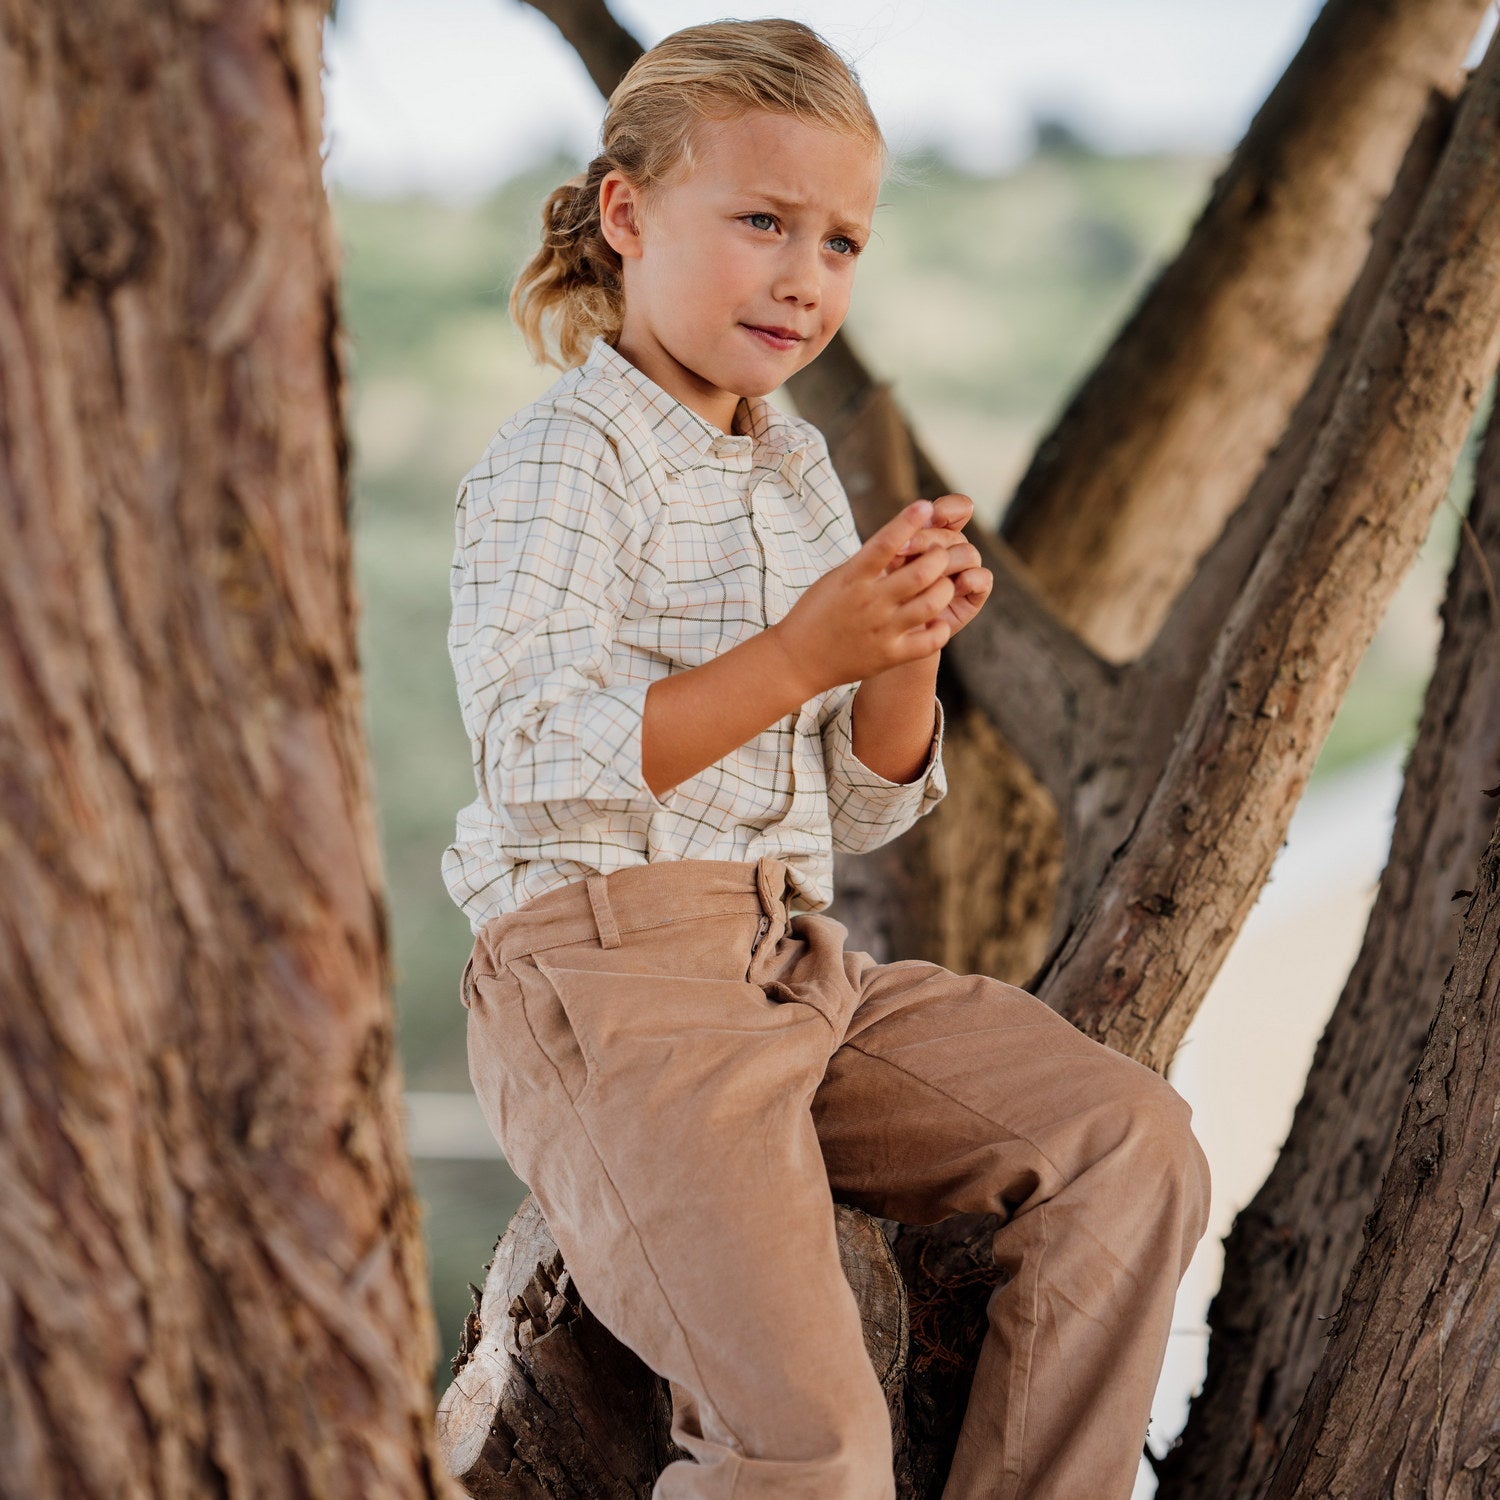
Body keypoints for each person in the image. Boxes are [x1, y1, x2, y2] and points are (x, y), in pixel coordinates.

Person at [442, 17, 1211, 1499]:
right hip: (608, 983)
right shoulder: (564, 458)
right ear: (626, 213)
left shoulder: (792, 466)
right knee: (809, 1450)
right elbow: (535, 751)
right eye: (762, 222)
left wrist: (902, 649)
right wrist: (804, 651)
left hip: (794, 964)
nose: (805, 276)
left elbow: (862, 802)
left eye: (841, 242)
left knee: (1128, 1144)